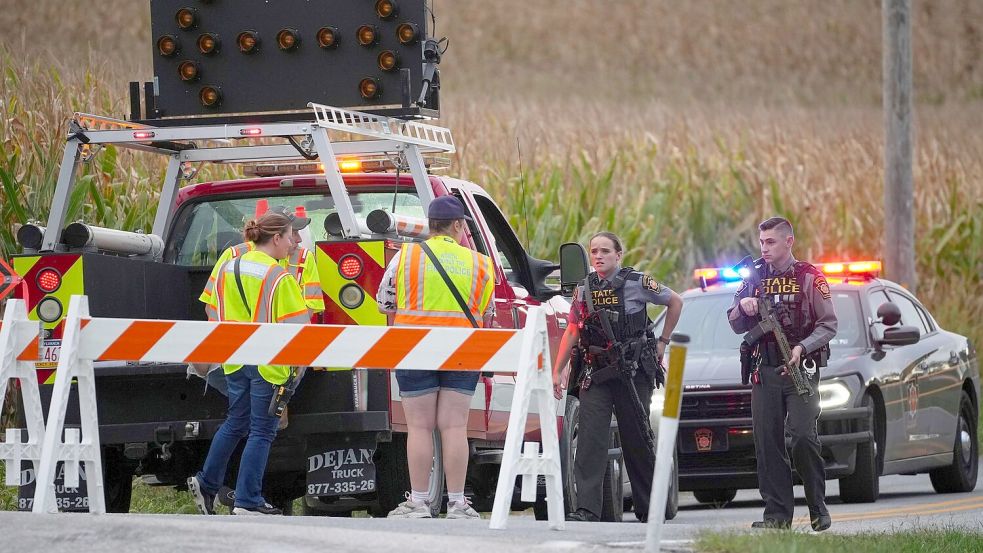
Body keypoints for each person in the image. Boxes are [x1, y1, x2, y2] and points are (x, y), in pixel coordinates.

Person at [375, 195, 496, 520]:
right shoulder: (479, 263)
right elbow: (489, 310)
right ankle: (457, 503)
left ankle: (418, 502)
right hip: (462, 351)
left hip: (415, 348)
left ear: (431, 226)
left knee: (419, 427)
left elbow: (383, 302)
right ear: (457, 225)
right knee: (455, 426)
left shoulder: (406, 257)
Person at [552, 232, 683, 523]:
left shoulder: (637, 282)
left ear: (618, 255)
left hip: (632, 371)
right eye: (594, 251)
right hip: (597, 372)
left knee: (636, 437)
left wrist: (662, 342)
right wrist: (558, 369)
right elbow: (573, 330)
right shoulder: (583, 288)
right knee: (589, 439)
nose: (598, 256)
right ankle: (587, 509)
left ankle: (650, 508)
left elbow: (675, 302)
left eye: (605, 251)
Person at [187, 211, 309, 516]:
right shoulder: (278, 276)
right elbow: (300, 329)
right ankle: (248, 500)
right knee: (262, 431)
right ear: (277, 238)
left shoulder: (228, 267)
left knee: (236, 422)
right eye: (290, 236)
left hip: (234, 361)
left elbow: (211, 312)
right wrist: (295, 373)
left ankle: (207, 483)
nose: (293, 244)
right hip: (269, 365)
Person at [727, 216, 837, 532]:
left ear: (789, 241)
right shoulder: (752, 277)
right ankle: (776, 516)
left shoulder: (809, 277)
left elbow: (828, 324)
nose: (764, 248)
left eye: (771, 242)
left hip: (800, 368)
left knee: (802, 436)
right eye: (761, 242)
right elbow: (734, 323)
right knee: (767, 442)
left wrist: (802, 347)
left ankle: (817, 506)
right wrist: (743, 306)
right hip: (765, 369)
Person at [194, 205, 322, 395]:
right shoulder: (235, 254)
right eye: (293, 232)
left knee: (247, 412)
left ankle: (269, 405)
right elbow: (212, 310)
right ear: (276, 237)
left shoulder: (304, 258)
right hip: (237, 349)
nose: (298, 239)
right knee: (257, 412)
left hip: (278, 349)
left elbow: (307, 315)